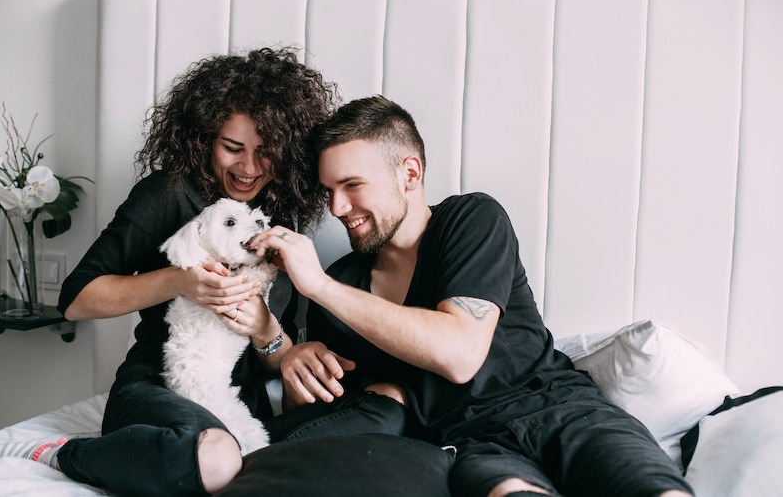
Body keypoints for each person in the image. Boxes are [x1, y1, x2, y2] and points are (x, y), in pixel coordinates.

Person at [249, 95, 696, 497]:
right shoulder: (341, 282)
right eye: (330, 191)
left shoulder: (470, 220)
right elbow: (334, 421)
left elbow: (461, 353)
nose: (337, 209)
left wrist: (320, 288)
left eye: (352, 185)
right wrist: (293, 366)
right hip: (469, 446)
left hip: (562, 413)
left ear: (409, 173)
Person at [0, 47, 337, 496]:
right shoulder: (169, 194)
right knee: (216, 458)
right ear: (205, 137)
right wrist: (180, 281)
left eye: (266, 152)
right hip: (156, 385)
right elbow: (76, 300)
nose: (248, 168)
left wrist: (266, 328)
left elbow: (277, 355)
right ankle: (64, 453)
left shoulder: (281, 218)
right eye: (232, 148)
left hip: (238, 399)